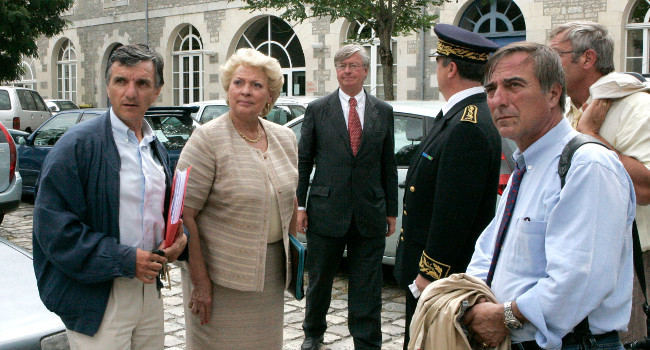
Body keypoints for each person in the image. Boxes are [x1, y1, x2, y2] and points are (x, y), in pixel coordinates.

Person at [463, 42, 635, 350]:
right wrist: (473, 304)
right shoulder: (526, 167)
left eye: (514, 85)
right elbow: (489, 251)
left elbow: (578, 281)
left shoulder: (587, 165)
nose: (498, 100)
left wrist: (504, 317)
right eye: (491, 90)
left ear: (554, 94)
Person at [32, 43, 188, 349]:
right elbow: (53, 231)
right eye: (121, 81)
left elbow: (161, 214)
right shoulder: (75, 147)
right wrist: (126, 260)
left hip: (149, 292)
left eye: (142, 83)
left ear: (157, 90)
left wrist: (175, 245)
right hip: (98, 296)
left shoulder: (154, 147)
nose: (130, 92)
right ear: (108, 86)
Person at [176, 48, 298, 349]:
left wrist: (295, 260)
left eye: (256, 85)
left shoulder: (285, 138)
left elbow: (289, 199)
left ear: (269, 95)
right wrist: (200, 282)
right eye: (239, 83)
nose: (246, 91)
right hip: (219, 278)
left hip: (270, 276)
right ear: (228, 89)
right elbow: (183, 214)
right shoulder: (206, 139)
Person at [393, 23, 502, 349]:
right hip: (436, 275)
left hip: (440, 281)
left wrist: (430, 275)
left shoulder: (466, 125)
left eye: (438, 61)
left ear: (450, 67)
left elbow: (453, 212)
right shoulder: (459, 116)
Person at [549, 21, 650, 343]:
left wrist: (591, 136)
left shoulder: (637, 105)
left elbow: (646, 189)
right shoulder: (571, 110)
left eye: (555, 55)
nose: (547, 65)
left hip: (635, 261)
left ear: (587, 59)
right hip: (583, 257)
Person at [297, 44, 398, 350]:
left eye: (353, 65)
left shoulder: (383, 111)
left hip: (369, 212)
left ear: (366, 71)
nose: (347, 70)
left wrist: (391, 210)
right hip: (326, 211)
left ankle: (367, 342)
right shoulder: (318, 110)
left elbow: (387, 163)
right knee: (320, 281)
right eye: (342, 65)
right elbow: (304, 160)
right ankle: (312, 334)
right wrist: (300, 204)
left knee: (367, 285)